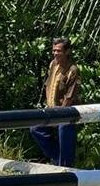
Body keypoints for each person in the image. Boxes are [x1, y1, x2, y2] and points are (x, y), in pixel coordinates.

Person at [30, 37, 80, 167]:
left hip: (65, 112)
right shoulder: (53, 64)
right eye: (54, 51)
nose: (56, 53)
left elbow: (70, 96)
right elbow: (49, 85)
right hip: (51, 109)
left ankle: (66, 167)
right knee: (35, 128)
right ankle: (57, 159)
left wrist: (60, 114)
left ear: (67, 52)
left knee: (64, 133)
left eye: (59, 51)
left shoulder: (72, 70)